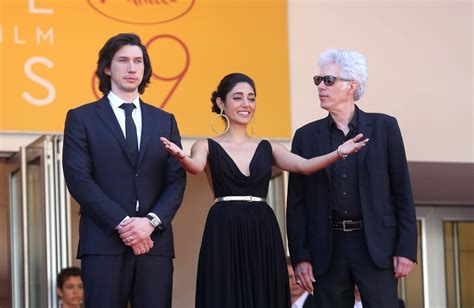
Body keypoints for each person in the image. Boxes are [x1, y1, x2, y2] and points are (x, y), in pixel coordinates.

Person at [160, 72, 367, 308]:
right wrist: (181, 157)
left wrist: (339, 151)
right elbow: (195, 167)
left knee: (263, 292)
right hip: (223, 225)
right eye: (238, 98)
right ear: (221, 103)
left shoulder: (269, 147)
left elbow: (305, 166)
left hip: (262, 226)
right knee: (225, 292)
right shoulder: (206, 145)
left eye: (251, 98)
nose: (246, 104)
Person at [62, 33, 186, 308]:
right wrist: (125, 224)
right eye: (123, 60)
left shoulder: (165, 120)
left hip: (154, 244)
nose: (132, 68)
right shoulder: (81, 117)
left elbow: (176, 180)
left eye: (138, 61)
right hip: (103, 243)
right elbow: (79, 179)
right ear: (107, 67)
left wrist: (150, 222)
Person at [286, 48, 417, 308]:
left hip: (377, 245)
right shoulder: (306, 136)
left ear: (352, 85)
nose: (320, 86)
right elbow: (297, 204)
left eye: (328, 80)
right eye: (318, 80)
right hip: (327, 248)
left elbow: (402, 191)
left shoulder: (385, 127)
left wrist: (406, 249)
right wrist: (300, 256)